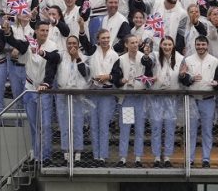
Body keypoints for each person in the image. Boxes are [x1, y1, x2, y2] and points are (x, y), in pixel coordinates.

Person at [5, 20, 60, 164]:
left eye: (47, 30)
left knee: (46, 125)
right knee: (34, 125)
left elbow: (54, 62)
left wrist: (46, 83)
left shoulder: (53, 46)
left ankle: (46, 157)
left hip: (44, 90)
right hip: (29, 89)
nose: (45, 33)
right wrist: (7, 32)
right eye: (42, 30)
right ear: (35, 31)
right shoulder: (28, 44)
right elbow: (15, 42)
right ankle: (37, 156)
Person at [180, 35, 218, 167]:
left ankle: (206, 159)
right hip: (192, 99)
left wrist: (217, 83)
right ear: (195, 45)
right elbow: (182, 78)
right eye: (198, 45)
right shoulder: (187, 60)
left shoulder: (215, 61)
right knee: (191, 131)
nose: (200, 47)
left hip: (208, 100)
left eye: (203, 45)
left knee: (207, 131)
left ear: (207, 45)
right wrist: (190, 79)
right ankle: (190, 159)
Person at [78, 21, 117, 165]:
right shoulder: (93, 50)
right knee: (94, 125)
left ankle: (103, 156)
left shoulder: (114, 55)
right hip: (93, 92)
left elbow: (117, 75)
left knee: (104, 125)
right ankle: (95, 156)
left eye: (108, 38)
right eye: (103, 38)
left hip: (107, 94)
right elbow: (83, 41)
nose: (106, 40)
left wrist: (108, 77)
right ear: (98, 39)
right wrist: (82, 28)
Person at [112, 34, 154, 167]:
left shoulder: (144, 58)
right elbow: (116, 79)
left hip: (140, 97)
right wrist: (121, 81)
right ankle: (123, 158)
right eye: (132, 43)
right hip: (128, 97)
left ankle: (137, 158)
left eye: (137, 43)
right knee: (125, 128)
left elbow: (150, 75)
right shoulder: (121, 59)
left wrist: (146, 80)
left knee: (140, 128)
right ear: (126, 44)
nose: (135, 45)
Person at [150, 35, 184, 167]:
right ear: (160, 46)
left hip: (172, 97)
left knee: (170, 128)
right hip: (157, 96)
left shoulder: (180, 58)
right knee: (156, 127)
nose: (167, 47)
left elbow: (184, 76)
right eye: (164, 44)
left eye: (169, 44)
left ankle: (168, 156)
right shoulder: (154, 56)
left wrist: (184, 75)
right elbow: (146, 63)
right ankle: (157, 157)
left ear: (173, 45)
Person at [56, 34, 90, 165]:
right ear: (66, 45)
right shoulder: (60, 57)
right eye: (69, 43)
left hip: (78, 96)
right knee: (64, 125)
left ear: (78, 44)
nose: (72, 46)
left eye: (74, 43)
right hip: (63, 94)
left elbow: (86, 74)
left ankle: (78, 153)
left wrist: (77, 58)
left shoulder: (84, 58)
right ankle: (66, 153)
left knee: (77, 125)